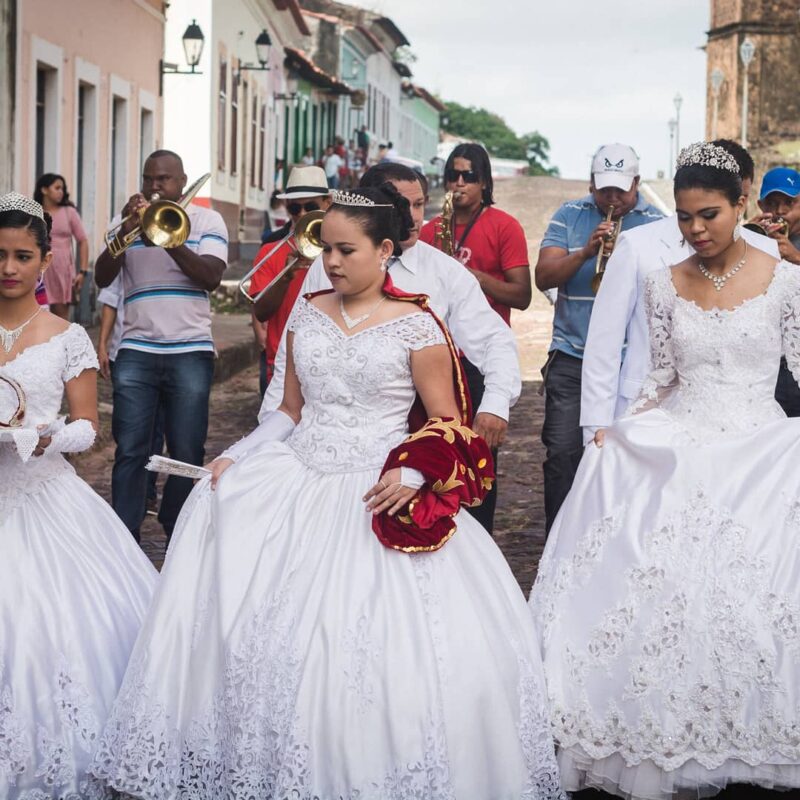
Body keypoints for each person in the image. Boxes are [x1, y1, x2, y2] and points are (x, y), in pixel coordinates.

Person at [90, 186, 565, 800]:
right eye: (328, 249)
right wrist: (237, 456)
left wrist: (413, 475)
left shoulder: (419, 324)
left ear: (384, 250)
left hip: (374, 485)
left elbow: (445, 422)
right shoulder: (308, 313)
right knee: (253, 604)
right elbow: (288, 411)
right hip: (301, 476)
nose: (332, 261)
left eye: (346, 250)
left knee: (364, 645)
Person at [529, 141, 800, 799]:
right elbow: (659, 377)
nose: (695, 229)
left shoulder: (788, 281)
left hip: (760, 450)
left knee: (755, 591)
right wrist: (618, 433)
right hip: (681, 437)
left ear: (743, 205)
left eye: (708, 213)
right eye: (683, 217)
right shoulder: (662, 280)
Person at [0, 192, 156, 798]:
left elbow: (89, 427)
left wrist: (46, 437)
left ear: (47, 261)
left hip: (41, 493)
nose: (8, 268)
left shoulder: (67, 335)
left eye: (22, 256)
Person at [260, 162, 521, 523]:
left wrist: (494, 404)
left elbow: (494, 339)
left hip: (418, 436)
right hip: (326, 449)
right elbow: (300, 356)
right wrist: (267, 441)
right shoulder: (328, 266)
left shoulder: (443, 271)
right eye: (403, 204)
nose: (413, 217)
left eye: (419, 205)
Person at [580, 139, 779, 442]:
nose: (697, 227)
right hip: (644, 417)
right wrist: (595, 427)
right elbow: (603, 343)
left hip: (748, 430)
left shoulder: (768, 253)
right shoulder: (637, 245)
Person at [94, 149, 228, 542]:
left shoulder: (208, 220)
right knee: (131, 448)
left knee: (187, 449)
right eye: (149, 178)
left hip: (190, 350)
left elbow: (211, 277)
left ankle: (177, 525)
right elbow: (103, 278)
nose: (155, 186)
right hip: (136, 350)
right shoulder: (126, 223)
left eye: (164, 179)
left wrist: (168, 237)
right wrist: (124, 233)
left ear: (182, 181)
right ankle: (125, 535)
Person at [534, 143, 664, 533]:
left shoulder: (657, 224)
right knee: (562, 454)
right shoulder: (569, 215)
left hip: (631, 362)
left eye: (620, 190)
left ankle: (617, 537)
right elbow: (543, 277)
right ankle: (559, 538)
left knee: (628, 455)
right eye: (603, 188)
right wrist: (586, 252)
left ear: (637, 183)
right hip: (572, 355)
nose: (611, 198)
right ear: (591, 183)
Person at [421, 141, 531, 533]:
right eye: (453, 175)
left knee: (478, 463)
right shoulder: (428, 230)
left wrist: (469, 277)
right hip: (433, 356)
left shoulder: (504, 226)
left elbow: (522, 295)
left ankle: (478, 539)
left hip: (479, 361)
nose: (459, 183)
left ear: (484, 182)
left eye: (469, 176)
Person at [250, 166, 331, 394]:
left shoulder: (341, 250)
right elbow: (261, 311)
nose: (303, 213)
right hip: (282, 363)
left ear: (328, 202)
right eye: (296, 207)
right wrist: (285, 277)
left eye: (311, 206)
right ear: (287, 208)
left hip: (331, 362)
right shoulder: (270, 251)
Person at [97, 274, 165, 515]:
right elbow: (110, 299)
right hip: (124, 352)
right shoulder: (124, 247)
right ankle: (129, 503)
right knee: (128, 433)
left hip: (163, 352)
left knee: (156, 428)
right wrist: (103, 344)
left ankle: (147, 489)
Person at [752, 166, 800, 417]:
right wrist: (746, 239)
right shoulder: (754, 239)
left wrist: (796, 257)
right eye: (773, 203)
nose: (780, 211)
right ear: (760, 205)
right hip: (766, 367)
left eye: (789, 203)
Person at [33, 173, 89, 320]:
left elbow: (83, 240)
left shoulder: (69, 212)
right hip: (39, 269)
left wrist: (82, 272)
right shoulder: (34, 212)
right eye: (57, 188)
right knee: (38, 314)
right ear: (44, 190)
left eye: (62, 189)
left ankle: (62, 343)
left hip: (62, 271)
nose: (61, 192)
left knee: (60, 317)